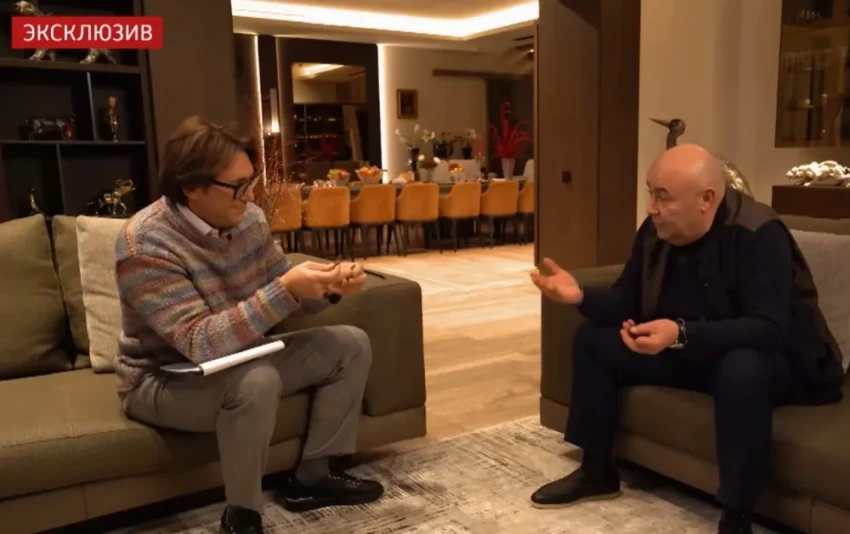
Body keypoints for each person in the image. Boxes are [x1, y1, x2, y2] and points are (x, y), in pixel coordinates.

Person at [528, 144, 844, 534]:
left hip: (779, 361)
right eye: (651, 193)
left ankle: (737, 516)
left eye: (664, 197)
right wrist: (580, 295)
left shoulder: (759, 232)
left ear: (706, 199)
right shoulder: (656, 231)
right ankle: (596, 471)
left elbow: (767, 329)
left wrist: (680, 332)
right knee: (594, 341)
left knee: (740, 367)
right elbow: (626, 300)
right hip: (694, 350)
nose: (652, 208)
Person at [114, 116, 384, 534]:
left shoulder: (250, 219)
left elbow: (285, 299)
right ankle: (242, 515)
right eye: (238, 186)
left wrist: (326, 287)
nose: (251, 195)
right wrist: (285, 289)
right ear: (192, 187)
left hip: (242, 356)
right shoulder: (144, 244)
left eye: (252, 181)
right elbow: (198, 342)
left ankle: (312, 478)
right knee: (256, 379)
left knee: (350, 344)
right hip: (163, 377)